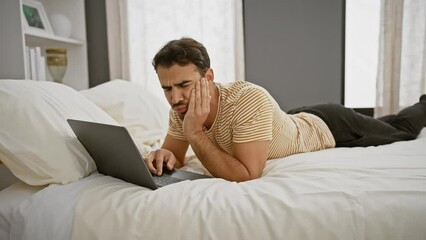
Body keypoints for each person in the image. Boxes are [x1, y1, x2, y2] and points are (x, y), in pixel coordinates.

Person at [144, 37, 426, 182]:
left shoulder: (245, 100)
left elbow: (246, 175)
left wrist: (195, 134)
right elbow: (176, 157)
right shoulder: (183, 108)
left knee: (401, 131)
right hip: (293, 119)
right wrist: (161, 155)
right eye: (167, 89)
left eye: (183, 85)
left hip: (331, 127)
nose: (175, 97)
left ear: (208, 77)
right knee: (386, 124)